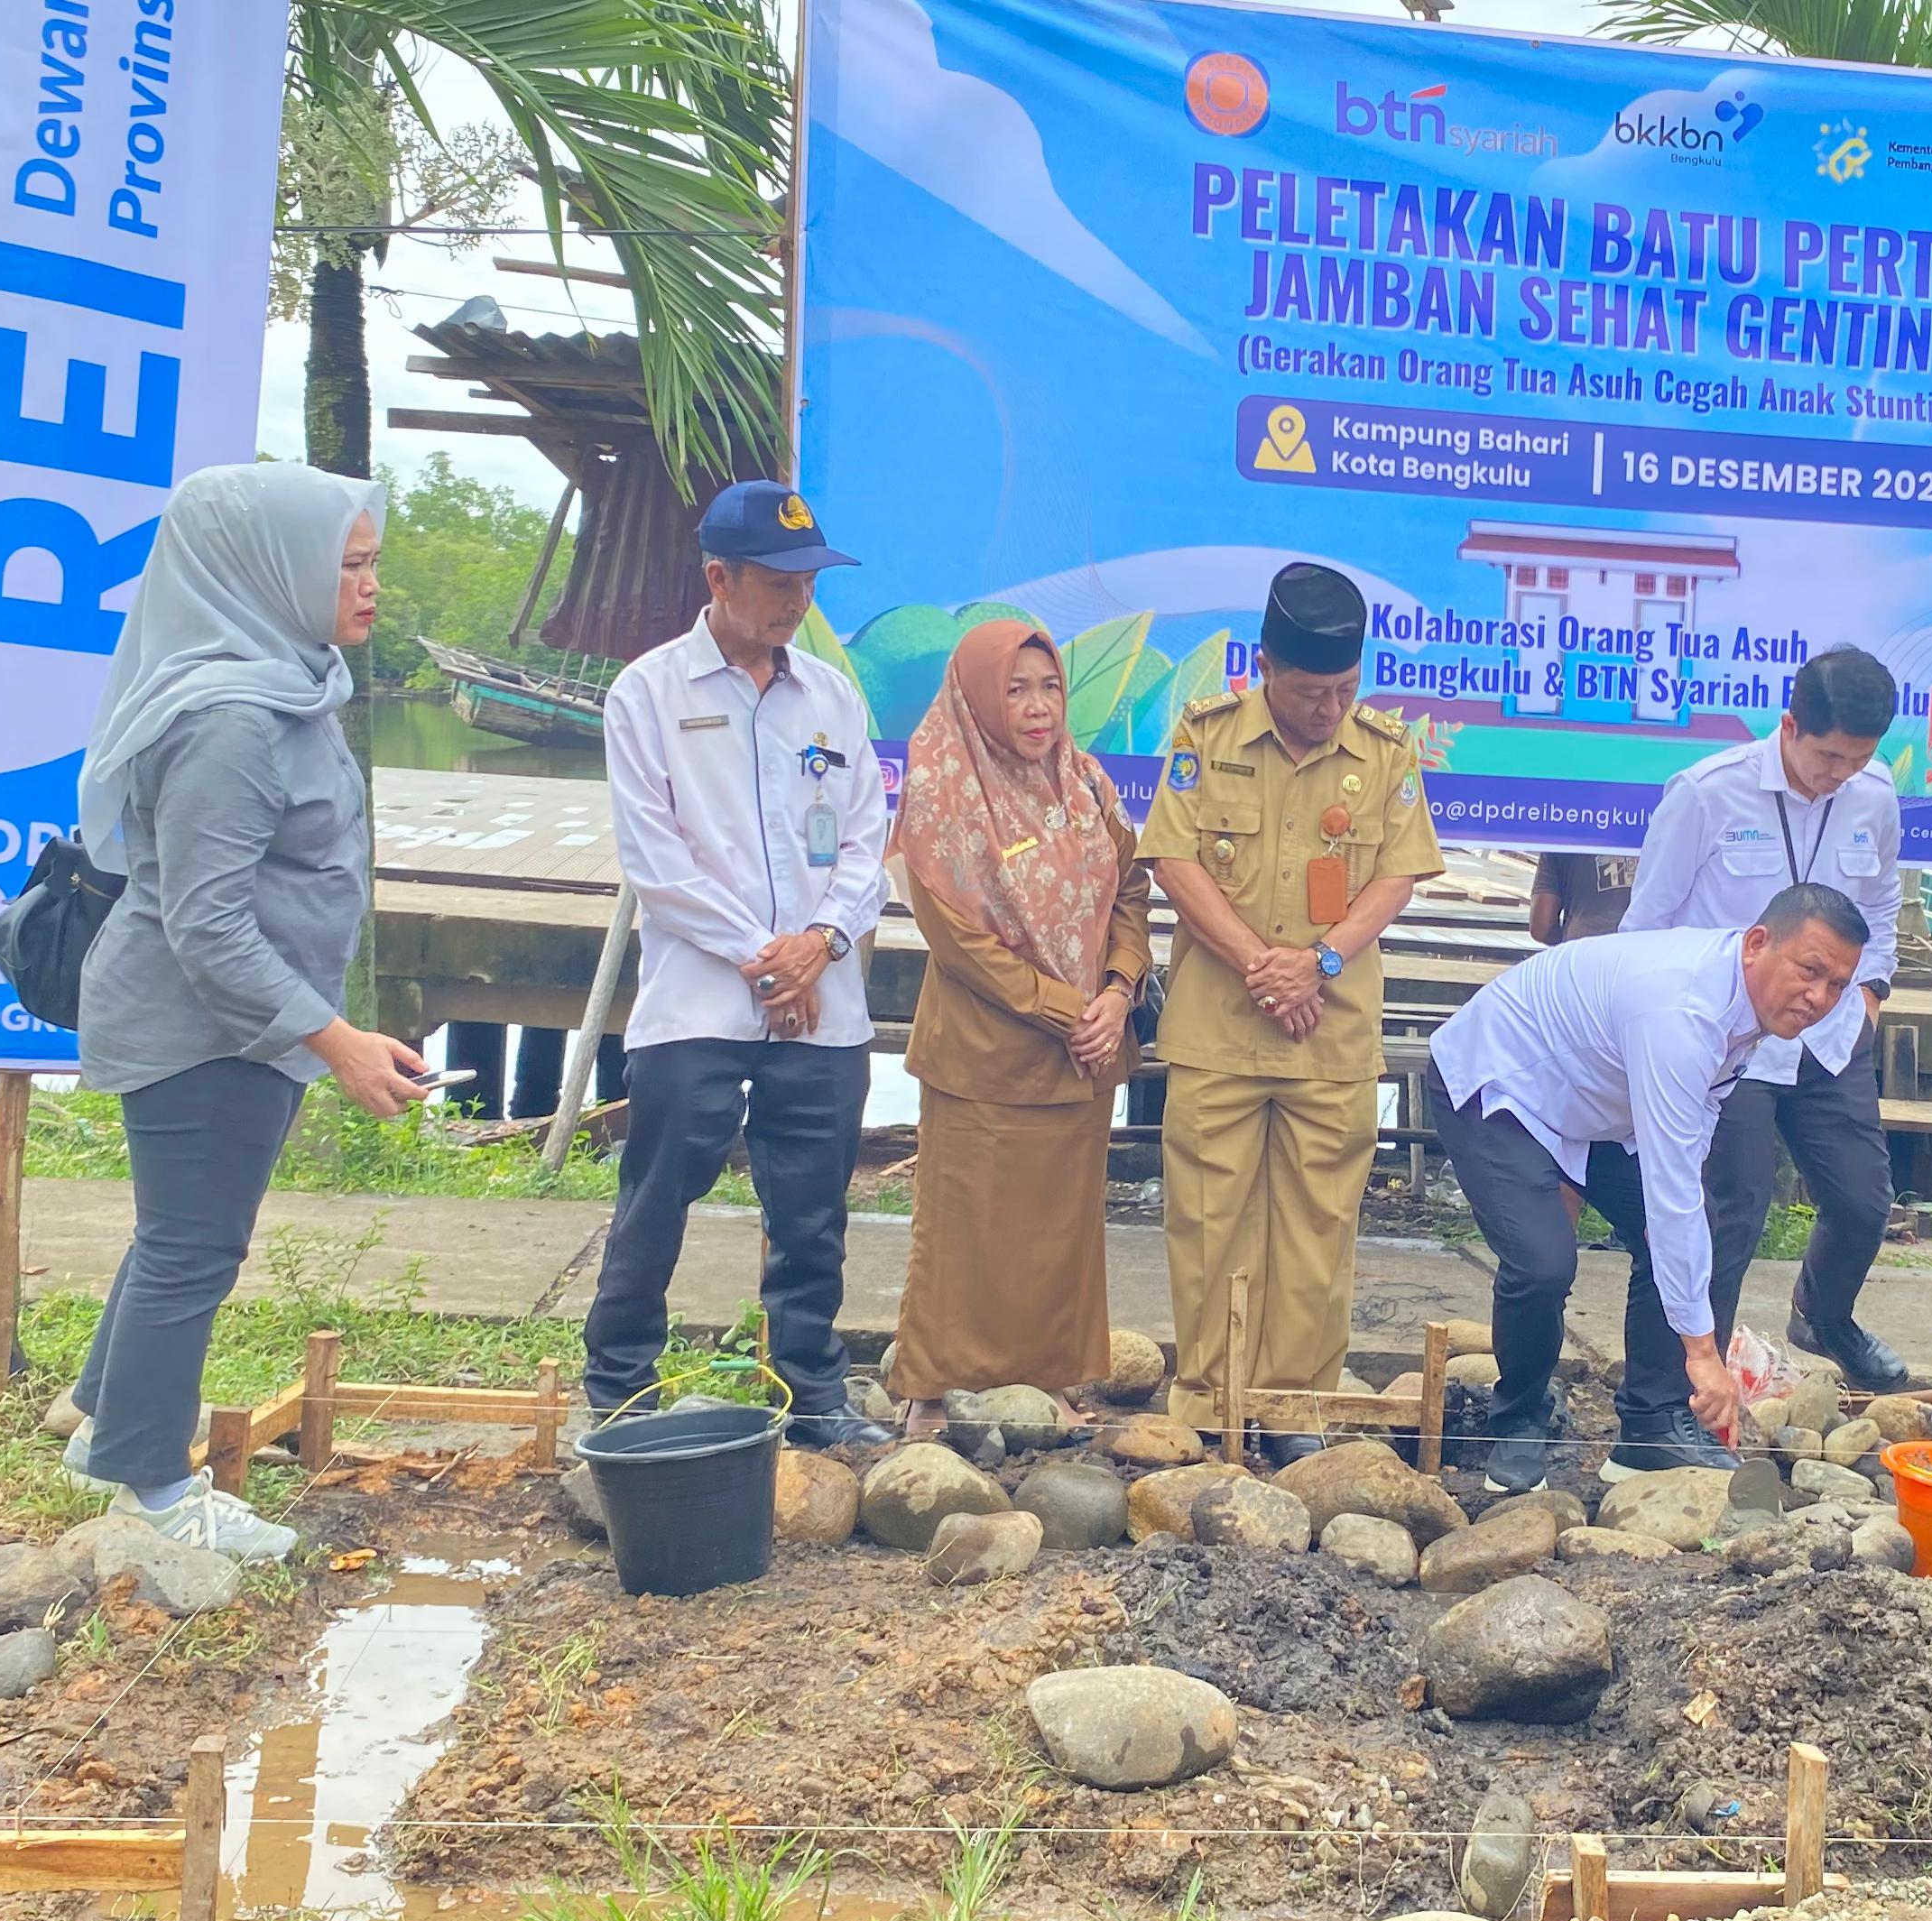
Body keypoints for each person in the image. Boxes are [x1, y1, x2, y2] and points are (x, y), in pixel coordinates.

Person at [66, 463, 426, 1557]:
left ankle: (102, 1430)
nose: (370, 587)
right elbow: (207, 927)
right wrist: (338, 1040)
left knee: (180, 1237)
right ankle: (152, 1497)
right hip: (198, 1029)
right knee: (192, 1250)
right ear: (269, 573)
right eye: (349, 566)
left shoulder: (292, 679)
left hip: (245, 1024)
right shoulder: (229, 719)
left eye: (371, 562)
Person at [579, 482, 893, 1450]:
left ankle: (812, 1392)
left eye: (808, 580)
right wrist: (766, 961)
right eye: (778, 579)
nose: (797, 599)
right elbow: (657, 865)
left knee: (812, 1213)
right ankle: (621, 1387)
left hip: (823, 1004)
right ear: (718, 577)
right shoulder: (647, 695)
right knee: (657, 1198)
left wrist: (820, 946)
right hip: (699, 1004)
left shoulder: (831, 697)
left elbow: (866, 842)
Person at [1138, 563, 1446, 1458]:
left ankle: (1294, 1409)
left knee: (1319, 1227)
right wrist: (1259, 966)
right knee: (1206, 1217)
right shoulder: (1206, 737)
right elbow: (1174, 860)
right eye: (1313, 691)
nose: (1330, 708)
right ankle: (1208, 1399)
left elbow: (1398, 874)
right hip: (1220, 1030)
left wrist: (1317, 962)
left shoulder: (1383, 752)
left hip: (1330, 1031)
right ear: (1265, 666)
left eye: (1347, 689)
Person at [1426, 886, 1874, 1494]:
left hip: (1597, 1098)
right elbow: (1671, 1194)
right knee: (1542, 1263)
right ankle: (1518, 1421)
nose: (1818, 998)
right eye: (1810, 971)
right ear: (1757, 944)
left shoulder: (1748, 1006)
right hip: (1502, 1082)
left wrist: (1697, 1340)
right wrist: (1704, 1356)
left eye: (1837, 986)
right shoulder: (1683, 1013)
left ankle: (1649, 1429)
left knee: (1701, 1227)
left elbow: (1689, 1171)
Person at [888, 621, 1154, 1437]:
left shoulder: (1085, 782)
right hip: (983, 1052)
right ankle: (927, 1390)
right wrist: (1066, 1008)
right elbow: (959, 942)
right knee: (961, 1226)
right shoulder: (943, 794)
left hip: (1083, 1052)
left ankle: (1055, 1378)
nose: (1039, 709)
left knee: (1060, 1232)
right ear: (976, 696)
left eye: (1050, 689)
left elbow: (1131, 891)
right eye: (1016, 689)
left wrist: (1117, 989)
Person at [1623, 647, 1910, 1393]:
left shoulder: (1873, 794)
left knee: (1862, 1199)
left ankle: (1824, 1314)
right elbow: (1647, 925)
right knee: (1729, 1215)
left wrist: (1871, 991)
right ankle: (1685, 1389)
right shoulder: (1707, 794)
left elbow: (1879, 905)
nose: (1840, 775)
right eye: (1827, 757)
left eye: (1858, 759)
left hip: (1828, 1035)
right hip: (1728, 1040)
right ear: (1788, 725)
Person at [1529, 851, 1635, 944]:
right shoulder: (1648, 833)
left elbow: (1542, 928)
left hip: (1585, 950)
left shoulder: (1562, 836)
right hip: (1644, 953)